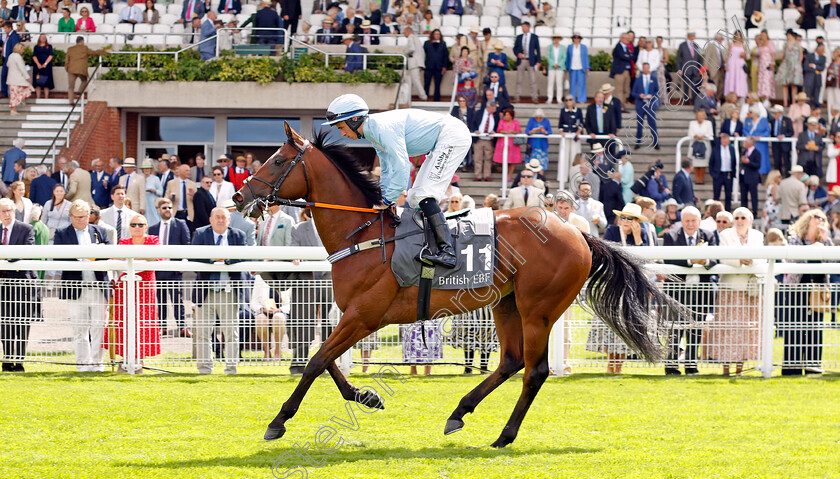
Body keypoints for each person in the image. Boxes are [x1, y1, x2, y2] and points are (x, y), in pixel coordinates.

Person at [325, 93, 472, 267]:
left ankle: (447, 251)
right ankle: (430, 246)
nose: (342, 133)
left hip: (452, 136)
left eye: (342, 127)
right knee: (414, 198)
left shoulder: (381, 128)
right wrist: (382, 197)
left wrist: (387, 200)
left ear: (355, 119)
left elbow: (402, 168)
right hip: (443, 139)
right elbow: (387, 169)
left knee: (424, 194)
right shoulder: (373, 131)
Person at [705, 207, 764, 376]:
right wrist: (740, 260)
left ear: (749, 221)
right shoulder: (725, 235)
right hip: (730, 288)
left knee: (746, 330)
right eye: (736, 217)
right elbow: (724, 257)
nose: (739, 220)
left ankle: (739, 368)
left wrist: (748, 261)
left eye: (743, 217)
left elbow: (761, 257)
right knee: (727, 329)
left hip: (750, 290)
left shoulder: (758, 236)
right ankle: (725, 368)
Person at [54, 200, 110, 372]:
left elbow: (108, 255)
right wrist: (80, 259)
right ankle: (83, 364)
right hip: (76, 287)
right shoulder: (62, 233)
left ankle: (97, 363)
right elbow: (57, 257)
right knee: (80, 328)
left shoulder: (100, 231)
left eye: (85, 216)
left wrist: (97, 254)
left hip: (98, 287)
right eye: (78, 217)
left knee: (99, 326)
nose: (82, 220)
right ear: (70, 217)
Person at [663, 206, 718, 375]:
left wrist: (705, 261)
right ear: (681, 221)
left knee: (696, 329)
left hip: (700, 292)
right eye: (687, 220)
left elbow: (716, 260)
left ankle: (691, 365)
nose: (690, 224)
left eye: (693, 220)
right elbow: (669, 258)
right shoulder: (670, 235)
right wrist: (690, 260)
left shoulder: (708, 235)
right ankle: (671, 366)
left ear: (699, 221)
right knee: (675, 329)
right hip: (676, 292)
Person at [190, 207, 246, 374]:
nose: (220, 220)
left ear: (229, 220)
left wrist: (226, 259)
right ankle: (205, 369)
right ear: (210, 220)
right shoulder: (200, 234)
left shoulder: (238, 235)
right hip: (206, 291)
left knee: (231, 333)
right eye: (217, 217)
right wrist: (212, 258)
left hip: (228, 291)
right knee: (203, 333)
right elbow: (194, 256)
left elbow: (243, 256)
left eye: (224, 217)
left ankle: (231, 368)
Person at [599, 203, 652, 373]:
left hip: (631, 288)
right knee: (609, 325)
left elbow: (643, 262)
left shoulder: (642, 234)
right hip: (612, 284)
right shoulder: (612, 231)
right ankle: (610, 365)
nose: (626, 221)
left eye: (630, 218)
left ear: (637, 221)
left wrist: (637, 238)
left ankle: (619, 367)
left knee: (625, 325)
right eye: (624, 217)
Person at [108, 214, 160, 373]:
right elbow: (114, 258)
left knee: (143, 321)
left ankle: (139, 360)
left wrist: (130, 257)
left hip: (145, 286)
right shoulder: (124, 241)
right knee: (124, 322)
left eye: (140, 224)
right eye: (133, 225)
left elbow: (155, 257)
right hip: (125, 285)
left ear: (146, 226)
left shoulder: (153, 240)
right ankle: (125, 360)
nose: (136, 228)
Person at [783, 209, 832, 375]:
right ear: (810, 219)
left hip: (818, 289)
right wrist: (812, 249)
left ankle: (813, 366)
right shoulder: (795, 238)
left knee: (815, 327)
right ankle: (792, 367)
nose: (820, 221)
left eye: (824, 219)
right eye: (818, 217)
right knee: (795, 327)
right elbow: (791, 259)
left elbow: (833, 259)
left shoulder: (825, 240)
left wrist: (825, 242)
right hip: (798, 288)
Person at [286, 208, 332, 374]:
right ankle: (298, 363)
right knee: (302, 320)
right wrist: (295, 257)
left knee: (329, 321)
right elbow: (293, 249)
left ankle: (327, 364)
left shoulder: (332, 225)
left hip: (330, 277)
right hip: (306, 278)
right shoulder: (299, 228)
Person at [0, 197, 37, 372]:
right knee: (5, 324)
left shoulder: (26, 229)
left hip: (22, 284)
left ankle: (19, 361)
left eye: (9, 211)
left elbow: (26, 252)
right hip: (3, 285)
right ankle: (7, 360)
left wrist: (4, 256)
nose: (7, 214)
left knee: (22, 324)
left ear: (14, 211)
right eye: (3, 211)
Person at [148, 198, 191, 338]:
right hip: (159, 269)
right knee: (160, 300)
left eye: (169, 207)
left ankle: (182, 327)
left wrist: (183, 263)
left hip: (174, 269)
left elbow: (187, 244)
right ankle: (162, 327)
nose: (167, 210)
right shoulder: (153, 228)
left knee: (177, 299)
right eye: (164, 208)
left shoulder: (181, 224)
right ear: (159, 210)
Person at [65, 36, 110, 105]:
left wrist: (67, 68)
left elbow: (66, 60)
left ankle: (71, 102)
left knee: (71, 87)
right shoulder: (84, 48)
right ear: (82, 42)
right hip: (81, 69)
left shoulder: (70, 49)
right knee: (84, 80)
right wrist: (105, 51)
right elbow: (94, 53)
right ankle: (79, 91)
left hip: (71, 69)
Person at [631, 62, 660, 149]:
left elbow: (657, 92)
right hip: (641, 104)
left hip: (650, 104)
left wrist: (652, 96)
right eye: (644, 68)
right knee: (639, 124)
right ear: (642, 69)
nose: (646, 69)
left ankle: (655, 142)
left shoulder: (653, 79)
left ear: (649, 69)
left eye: (647, 68)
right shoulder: (638, 79)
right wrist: (639, 95)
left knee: (652, 124)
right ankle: (638, 141)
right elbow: (633, 92)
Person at [470, 100, 498, 182]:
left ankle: (487, 175)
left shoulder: (495, 115)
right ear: (488, 107)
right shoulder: (479, 113)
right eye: (493, 109)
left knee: (488, 159)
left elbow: (497, 125)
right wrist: (475, 131)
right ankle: (478, 175)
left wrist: (494, 131)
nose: (494, 110)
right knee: (478, 158)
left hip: (489, 140)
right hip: (479, 139)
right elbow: (473, 123)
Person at [163, 163, 196, 232]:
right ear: (181, 171)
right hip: (176, 213)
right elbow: (165, 199)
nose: (189, 172)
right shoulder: (171, 183)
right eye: (186, 170)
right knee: (175, 234)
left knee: (187, 235)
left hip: (188, 214)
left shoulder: (193, 184)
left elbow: (197, 201)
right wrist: (169, 198)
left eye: (189, 170)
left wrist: (194, 195)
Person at [493, 108, 523, 184]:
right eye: (505, 115)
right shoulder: (501, 121)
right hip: (503, 143)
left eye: (508, 115)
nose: (506, 117)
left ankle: (509, 176)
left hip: (513, 144)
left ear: (511, 116)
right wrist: (506, 132)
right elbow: (499, 130)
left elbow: (519, 130)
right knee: (504, 160)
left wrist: (513, 132)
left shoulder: (516, 122)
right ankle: (504, 175)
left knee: (512, 161)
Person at [513, 21, 540, 104]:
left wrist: (538, 61)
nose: (523, 29)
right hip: (522, 60)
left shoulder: (534, 37)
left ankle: (534, 97)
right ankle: (517, 96)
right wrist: (518, 54)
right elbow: (515, 48)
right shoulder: (519, 37)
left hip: (530, 60)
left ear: (528, 27)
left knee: (532, 80)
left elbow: (537, 50)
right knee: (519, 80)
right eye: (522, 27)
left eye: (524, 27)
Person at [709, 133, 737, 211]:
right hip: (718, 174)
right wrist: (712, 173)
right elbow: (711, 162)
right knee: (716, 195)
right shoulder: (716, 149)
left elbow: (734, 161)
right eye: (723, 140)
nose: (724, 141)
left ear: (728, 141)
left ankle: (727, 211)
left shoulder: (731, 149)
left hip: (728, 174)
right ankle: (715, 211)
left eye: (726, 140)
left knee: (728, 195)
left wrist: (733, 173)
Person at [777, 30, 804, 107]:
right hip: (787, 64)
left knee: (794, 85)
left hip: (794, 64)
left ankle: (793, 102)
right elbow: (782, 55)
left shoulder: (797, 43)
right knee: (785, 84)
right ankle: (785, 102)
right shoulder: (785, 44)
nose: (788, 36)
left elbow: (801, 55)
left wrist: (798, 63)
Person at [5, 42, 31, 116]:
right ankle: (14, 108)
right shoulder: (18, 56)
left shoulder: (11, 55)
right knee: (21, 91)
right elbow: (22, 68)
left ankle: (14, 108)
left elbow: (7, 64)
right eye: (22, 49)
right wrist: (27, 77)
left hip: (11, 79)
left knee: (13, 94)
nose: (23, 51)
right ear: (19, 49)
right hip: (17, 79)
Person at [676, 30, 702, 103]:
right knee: (686, 87)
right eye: (693, 35)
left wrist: (700, 69)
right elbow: (678, 58)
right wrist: (679, 69)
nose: (694, 37)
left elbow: (699, 58)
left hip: (695, 70)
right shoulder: (682, 45)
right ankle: (686, 102)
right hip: (686, 70)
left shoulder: (696, 45)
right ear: (689, 36)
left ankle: (694, 102)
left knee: (695, 87)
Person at [688, 110, 713, 184]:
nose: (700, 117)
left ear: (704, 116)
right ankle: (697, 178)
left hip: (704, 145)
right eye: (699, 115)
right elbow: (690, 133)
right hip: (695, 144)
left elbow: (710, 134)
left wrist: (703, 136)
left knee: (703, 163)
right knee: (695, 162)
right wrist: (696, 136)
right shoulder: (692, 123)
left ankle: (701, 179)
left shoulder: (708, 123)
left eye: (702, 115)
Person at [740, 137, 763, 216]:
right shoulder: (745, 152)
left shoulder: (757, 153)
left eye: (746, 142)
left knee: (753, 196)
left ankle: (755, 213)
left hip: (752, 178)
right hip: (743, 177)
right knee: (743, 196)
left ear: (751, 143)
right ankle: (743, 213)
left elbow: (758, 165)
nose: (745, 143)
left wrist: (749, 162)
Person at [423, 29, 447, 102]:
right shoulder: (427, 43)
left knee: (437, 84)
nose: (437, 35)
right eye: (436, 34)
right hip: (428, 67)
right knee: (426, 83)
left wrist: (444, 66)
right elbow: (423, 54)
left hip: (439, 67)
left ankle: (437, 99)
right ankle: (425, 98)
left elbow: (445, 56)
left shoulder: (443, 44)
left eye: (439, 34)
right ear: (433, 35)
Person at [566, 32, 590, 104]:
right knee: (572, 84)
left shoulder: (583, 47)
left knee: (581, 84)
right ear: (573, 39)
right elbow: (568, 58)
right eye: (575, 38)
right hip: (572, 68)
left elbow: (586, 57)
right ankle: (572, 99)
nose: (576, 39)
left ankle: (581, 99)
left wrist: (587, 67)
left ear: (580, 39)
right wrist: (567, 67)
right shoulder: (570, 47)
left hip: (581, 68)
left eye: (578, 38)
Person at [610, 33, 634, 105]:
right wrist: (628, 56)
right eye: (626, 38)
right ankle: (619, 106)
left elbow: (632, 56)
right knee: (619, 90)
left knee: (625, 90)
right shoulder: (618, 47)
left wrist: (628, 56)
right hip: (620, 71)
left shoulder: (627, 48)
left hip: (626, 71)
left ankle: (622, 105)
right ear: (621, 38)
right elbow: (624, 57)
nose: (628, 40)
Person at [724, 30, 749, 100]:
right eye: (736, 35)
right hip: (732, 64)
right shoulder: (731, 44)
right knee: (732, 78)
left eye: (739, 35)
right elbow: (728, 55)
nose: (738, 37)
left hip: (740, 64)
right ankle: (731, 95)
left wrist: (743, 55)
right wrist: (726, 64)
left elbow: (746, 56)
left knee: (740, 79)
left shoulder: (744, 45)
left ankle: (740, 95)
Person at [31, 34, 54, 99]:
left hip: (47, 66)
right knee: (38, 82)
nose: (43, 38)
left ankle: (46, 97)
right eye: (42, 37)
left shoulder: (49, 46)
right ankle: (38, 97)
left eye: (44, 37)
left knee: (46, 82)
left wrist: (45, 64)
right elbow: (34, 56)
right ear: (39, 38)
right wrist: (38, 64)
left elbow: (51, 55)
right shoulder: (36, 47)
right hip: (38, 66)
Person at [544, 34, 566, 105]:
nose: (556, 39)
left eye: (558, 38)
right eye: (555, 38)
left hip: (560, 67)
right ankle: (549, 98)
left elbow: (564, 57)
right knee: (550, 83)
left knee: (559, 83)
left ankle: (559, 99)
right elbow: (548, 56)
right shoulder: (549, 47)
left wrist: (558, 64)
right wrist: (553, 64)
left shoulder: (563, 47)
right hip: (551, 67)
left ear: (559, 39)